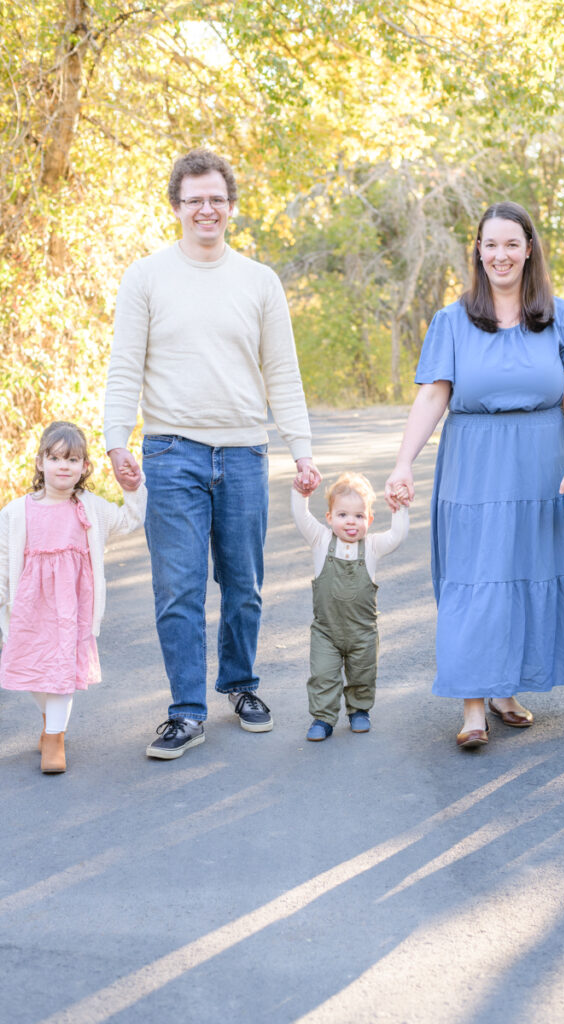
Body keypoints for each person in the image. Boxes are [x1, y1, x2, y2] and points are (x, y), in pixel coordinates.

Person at [104, 148, 321, 760]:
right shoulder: (146, 276)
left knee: (244, 584)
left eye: (216, 199)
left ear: (231, 206)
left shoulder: (259, 281)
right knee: (178, 588)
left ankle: (241, 684)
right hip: (171, 452)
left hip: (245, 453)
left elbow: (283, 373)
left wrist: (301, 450)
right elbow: (124, 366)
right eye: (194, 198)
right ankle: (186, 711)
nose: (207, 208)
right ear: (176, 206)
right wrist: (117, 439)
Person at [385, 200, 564, 749]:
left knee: (526, 573)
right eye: (490, 245)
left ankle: (506, 690)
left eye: (511, 244)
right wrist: (403, 463)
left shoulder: (563, 314)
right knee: (478, 579)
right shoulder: (452, 321)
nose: (500, 255)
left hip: (542, 464)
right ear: (477, 253)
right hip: (475, 466)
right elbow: (434, 396)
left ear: (529, 249)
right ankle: (474, 706)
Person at [0, 421, 146, 773]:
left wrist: (133, 487)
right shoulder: (16, 513)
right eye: (55, 458)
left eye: (72, 459)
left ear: (84, 467)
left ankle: (54, 736)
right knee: (33, 669)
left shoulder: (91, 508)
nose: (63, 466)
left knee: (62, 669)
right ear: (40, 463)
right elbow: (4, 561)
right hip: (29, 608)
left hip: (73, 608)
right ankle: (51, 720)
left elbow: (130, 520)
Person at [292, 472, 409, 740]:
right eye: (343, 515)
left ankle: (359, 711)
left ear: (368, 519)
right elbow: (301, 517)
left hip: (362, 632)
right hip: (326, 631)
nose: (351, 522)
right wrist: (301, 493)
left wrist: (399, 508)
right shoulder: (321, 541)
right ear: (330, 517)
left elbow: (397, 536)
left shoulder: (372, 546)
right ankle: (323, 718)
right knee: (323, 676)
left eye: (359, 516)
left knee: (363, 675)